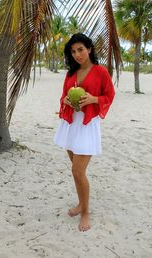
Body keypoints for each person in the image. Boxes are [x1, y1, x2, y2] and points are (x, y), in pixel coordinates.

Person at [54, 33, 115, 232]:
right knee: (77, 172)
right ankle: (81, 203)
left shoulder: (100, 72)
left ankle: (86, 211)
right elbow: (64, 96)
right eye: (73, 51)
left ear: (89, 49)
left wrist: (93, 100)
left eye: (80, 49)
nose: (77, 54)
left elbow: (109, 95)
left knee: (77, 171)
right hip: (71, 124)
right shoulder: (71, 73)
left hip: (87, 125)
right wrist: (65, 101)